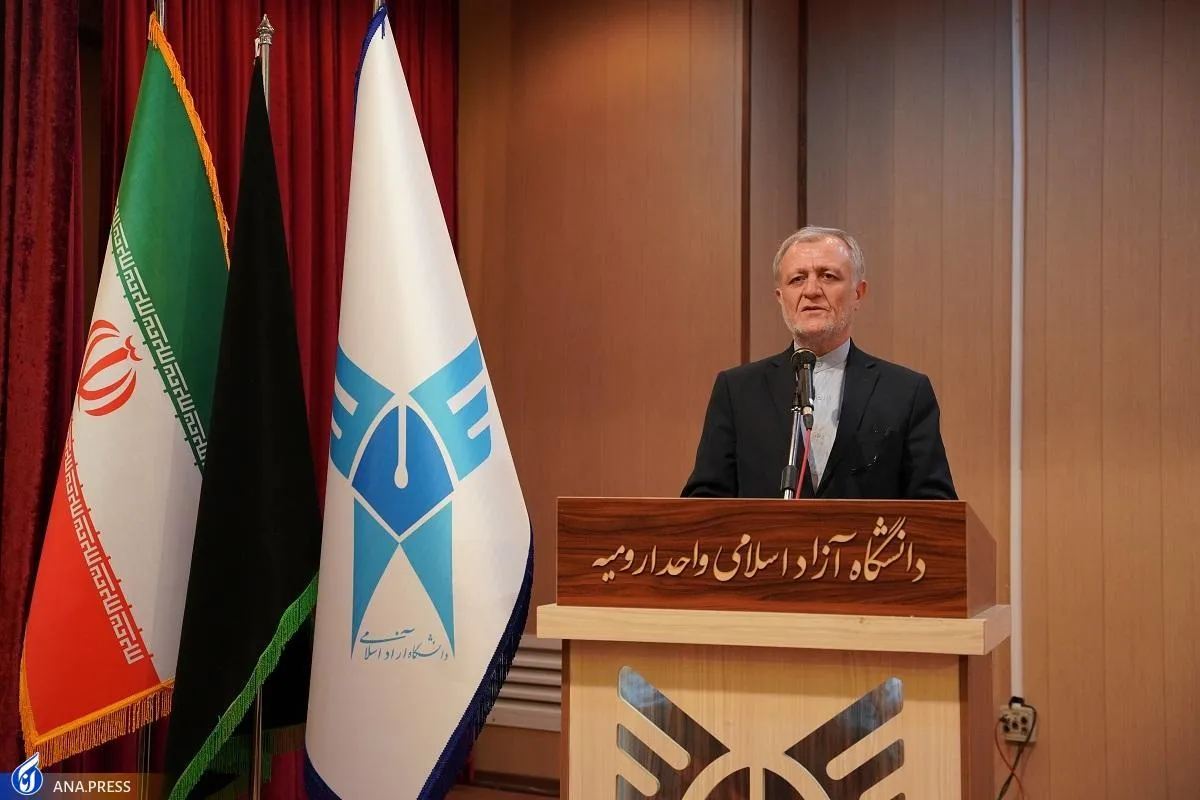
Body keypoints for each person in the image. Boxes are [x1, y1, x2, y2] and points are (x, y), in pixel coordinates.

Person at [682, 225, 957, 500]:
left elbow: (936, 507)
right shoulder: (737, 391)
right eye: (797, 279)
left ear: (858, 293)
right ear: (781, 297)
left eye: (828, 276)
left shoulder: (905, 392)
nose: (811, 290)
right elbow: (704, 501)